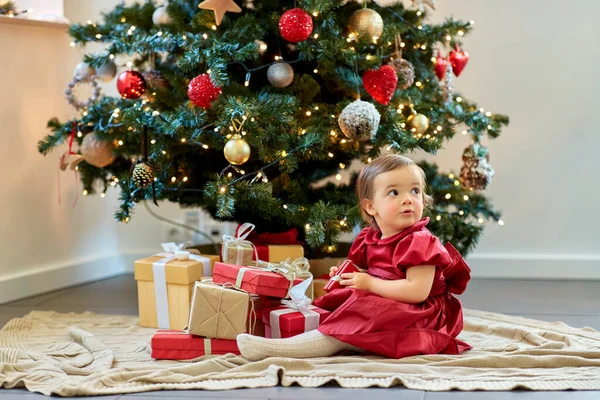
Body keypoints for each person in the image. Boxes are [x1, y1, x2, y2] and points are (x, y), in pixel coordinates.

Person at [237, 154, 472, 360]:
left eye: (415, 191)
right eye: (394, 192)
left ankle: (294, 347)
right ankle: (308, 331)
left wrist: (369, 283)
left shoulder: (420, 241)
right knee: (342, 299)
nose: (408, 198)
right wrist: (354, 277)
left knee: (367, 310)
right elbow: (377, 273)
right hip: (391, 296)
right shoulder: (371, 236)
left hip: (421, 312)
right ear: (371, 207)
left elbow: (416, 292)